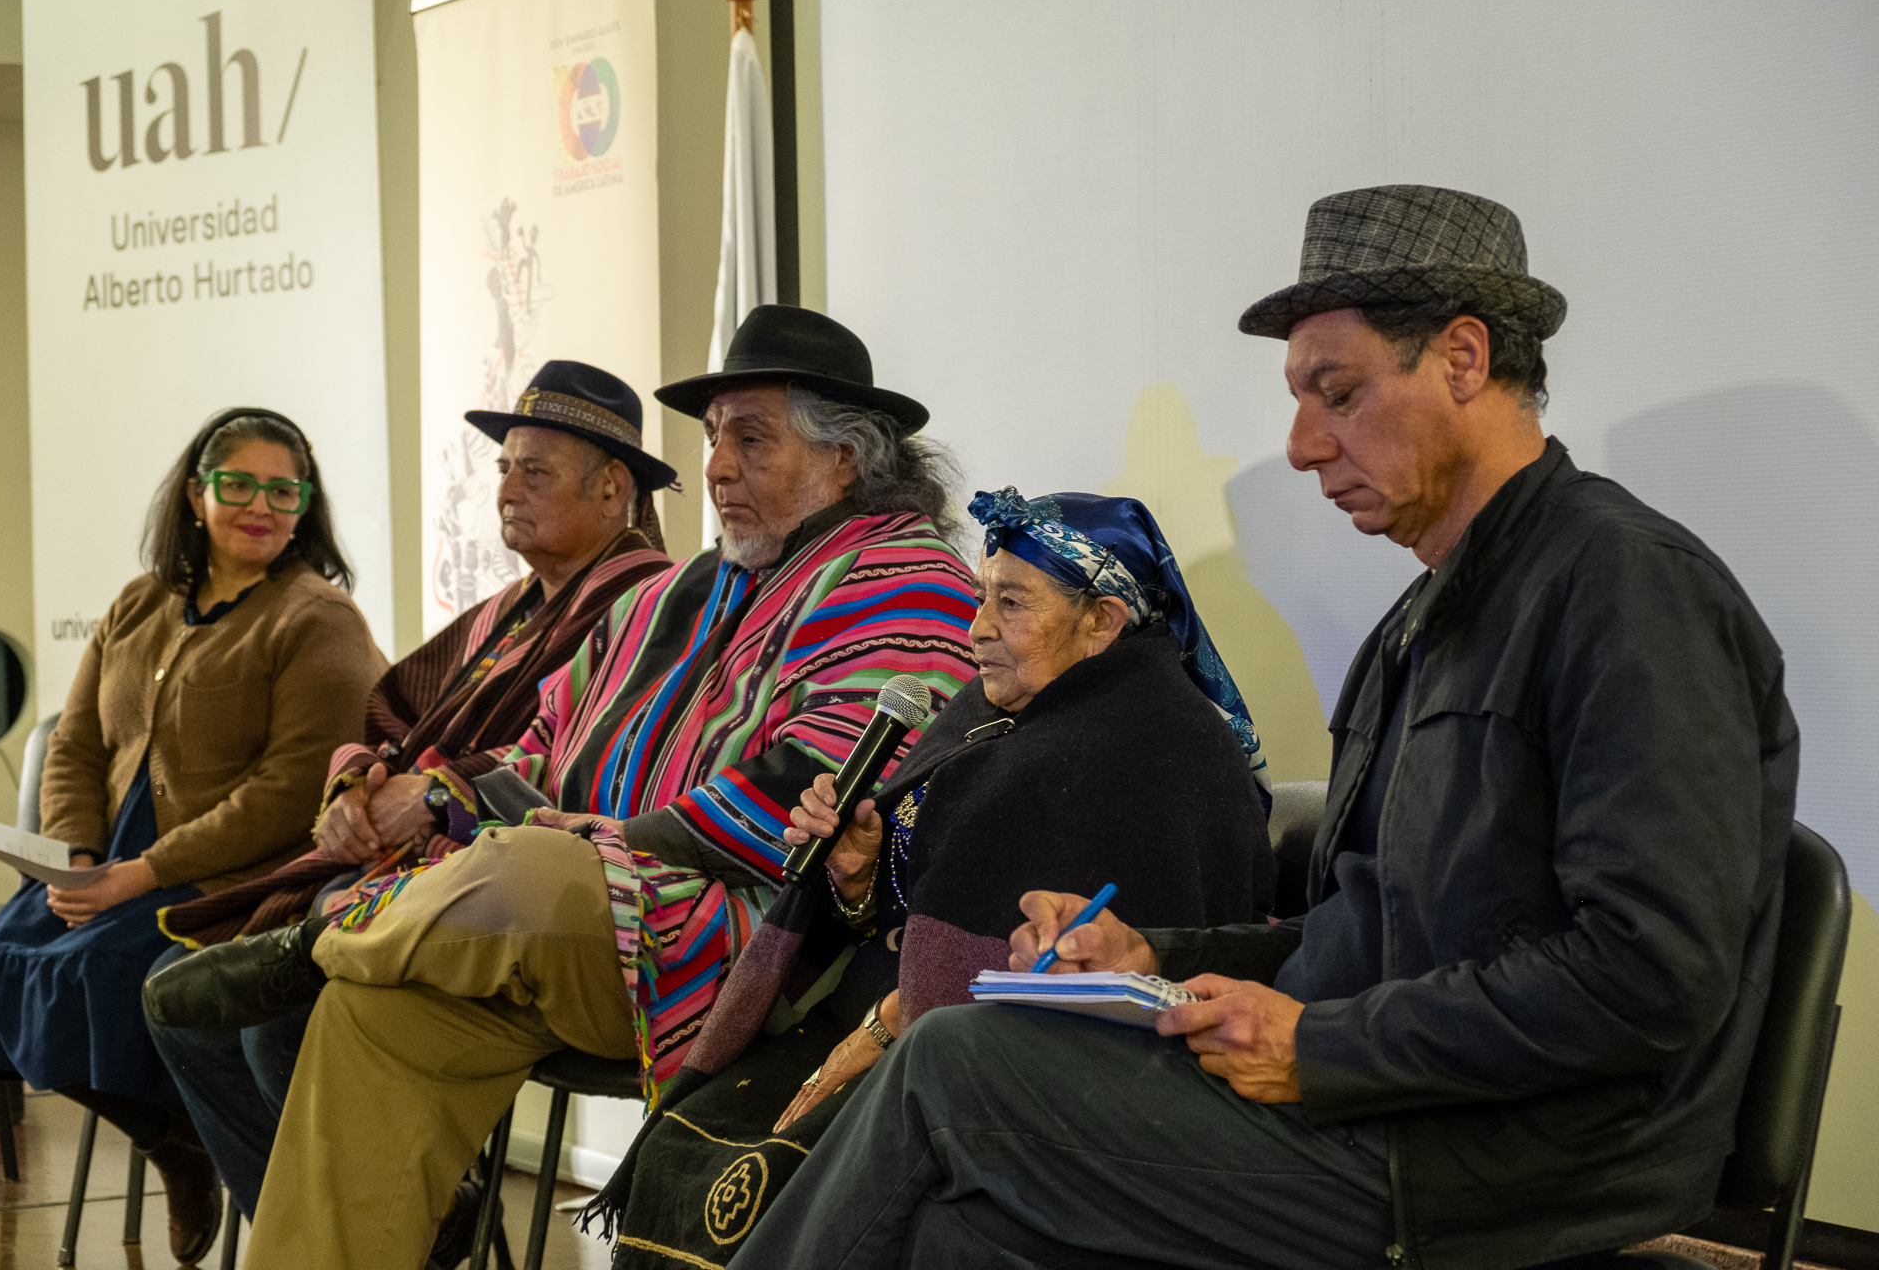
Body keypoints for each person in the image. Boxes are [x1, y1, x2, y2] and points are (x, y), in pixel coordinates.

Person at [724, 186, 1800, 1270]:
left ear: (1464, 358)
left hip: (1505, 1159)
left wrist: (1322, 1043)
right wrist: (1160, 955)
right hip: (1390, 1108)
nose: (1298, 444)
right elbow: (1370, 936)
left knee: (956, 1061)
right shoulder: (1421, 622)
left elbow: (1648, 973)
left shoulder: (1627, 590)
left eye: (1337, 392)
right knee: (966, 1229)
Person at [145, 304, 983, 1270]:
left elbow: (815, 795)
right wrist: (463, 803)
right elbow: (542, 743)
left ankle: (324, 940)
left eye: (750, 440)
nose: (715, 468)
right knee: (372, 1017)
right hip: (555, 935)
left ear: (847, 459)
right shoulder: (676, 591)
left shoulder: (907, 576)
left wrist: (594, 844)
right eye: (712, 440)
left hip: (733, 944)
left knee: (529, 868)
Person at [596, 486, 1277, 1268]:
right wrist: (856, 876)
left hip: (1026, 1083)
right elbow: (922, 899)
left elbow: (1075, 982)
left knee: (773, 1179)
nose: (977, 627)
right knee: (694, 1142)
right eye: (984, 596)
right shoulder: (1001, 710)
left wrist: (888, 1026)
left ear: (1102, 621)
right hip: (904, 1023)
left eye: (1011, 603)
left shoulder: (1152, 748)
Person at [142, 362, 677, 1224]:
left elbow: (585, 755)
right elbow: (392, 708)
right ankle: (344, 1226)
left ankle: (402, 1218)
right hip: (396, 865)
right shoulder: (509, 606)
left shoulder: (651, 601)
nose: (506, 489)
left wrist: (433, 793)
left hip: (506, 897)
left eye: (533, 471)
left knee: (280, 1020)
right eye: (504, 468)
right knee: (182, 997)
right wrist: (354, 785)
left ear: (614, 488)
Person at [0, 407, 386, 1264]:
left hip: (228, 877)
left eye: (282, 489)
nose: (259, 505)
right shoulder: (139, 601)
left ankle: (205, 1148)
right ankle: (172, 1141)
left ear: (305, 505)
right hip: (111, 861)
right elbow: (76, 742)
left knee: (103, 970)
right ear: (197, 496)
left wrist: (141, 873)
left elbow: (287, 791)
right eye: (238, 485)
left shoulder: (317, 618)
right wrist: (77, 855)